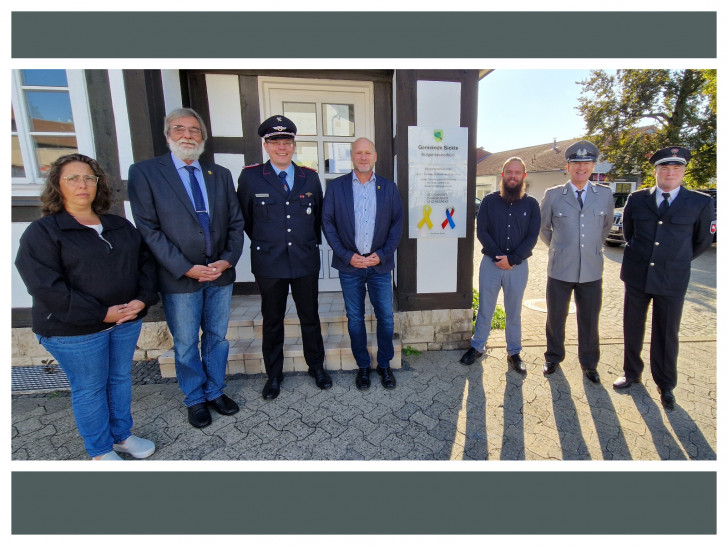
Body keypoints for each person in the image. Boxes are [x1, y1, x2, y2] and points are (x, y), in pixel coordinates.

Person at [15, 154, 158, 460]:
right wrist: (100, 313)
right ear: (57, 185)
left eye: (88, 178)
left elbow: (146, 265)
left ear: (98, 184)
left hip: (124, 322)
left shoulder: (119, 226)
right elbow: (44, 286)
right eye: (72, 178)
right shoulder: (44, 232)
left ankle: (121, 436)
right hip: (74, 330)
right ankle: (99, 450)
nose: (82, 184)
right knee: (90, 388)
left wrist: (142, 299)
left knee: (119, 379)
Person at [128, 108, 245, 428]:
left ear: (203, 138)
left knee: (217, 337)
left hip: (219, 274)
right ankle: (194, 398)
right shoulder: (146, 173)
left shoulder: (219, 175)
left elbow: (236, 223)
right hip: (179, 277)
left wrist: (228, 259)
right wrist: (185, 267)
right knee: (185, 342)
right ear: (168, 136)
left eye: (194, 130)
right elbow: (148, 230)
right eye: (179, 129)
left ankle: (215, 390)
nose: (187, 135)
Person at [237, 115, 332, 400]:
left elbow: (317, 220)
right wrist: (270, 243)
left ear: (294, 145)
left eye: (287, 141)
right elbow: (246, 220)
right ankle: (274, 375)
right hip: (269, 262)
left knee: (310, 317)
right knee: (272, 320)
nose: (282, 147)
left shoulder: (310, 177)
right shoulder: (251, 177)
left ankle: (316, 367)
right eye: (275, 142)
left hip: (304, 259)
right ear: (266, 145)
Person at [613, 146, 715, 410]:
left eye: (676, 168)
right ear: (656, 171)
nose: (670, 173)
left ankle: (666, 384)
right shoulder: (637, 199)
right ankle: (632, 373)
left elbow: (703, 240)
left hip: (672, 279)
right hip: (637, 275)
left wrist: (676, 259)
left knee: (667, 332)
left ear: (683, 171)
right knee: (632, 328)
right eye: (664, 168)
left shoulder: (700, 202)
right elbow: (629, 233)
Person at [322, 137, 403, 389]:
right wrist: (347, 255)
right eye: (359, 153)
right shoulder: (336, 187)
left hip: (379, 265)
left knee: (386, 318)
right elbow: (328, 224)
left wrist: (384, 253)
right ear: (352, 156)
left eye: (368, 153)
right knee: (355, 318)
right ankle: (363, 366)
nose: (364, 157)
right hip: (350, 266)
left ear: (375, 156)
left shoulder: (389, 188)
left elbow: (397, 224)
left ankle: (385, 365)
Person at [539, 140, 613, 383]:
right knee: (556, 315)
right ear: (567, 167)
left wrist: (589, 249)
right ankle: (553, 357)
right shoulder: (553, 195)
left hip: (591, 270)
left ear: (593, 167)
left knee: (590, 318)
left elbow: (605, 228)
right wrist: (560, 248)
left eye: (586, 163)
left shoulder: (604, 195)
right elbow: (544, 227)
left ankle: (589, 363)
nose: (581, 167)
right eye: (576, 163)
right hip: (561, 268)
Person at [459, 157, 540, 373]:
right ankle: (477, 346)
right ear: (502, 175)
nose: (513, 176)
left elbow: (532, 237)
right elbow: (482, 231)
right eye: (509, 172)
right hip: (490, 265)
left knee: (514, 312)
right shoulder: (489, 201)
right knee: (486, 307)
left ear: (524, 176)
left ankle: (514, 352)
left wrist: (512, 259)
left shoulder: (531, 204)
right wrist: (498, 257)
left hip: (518, 267)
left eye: (517, 172)